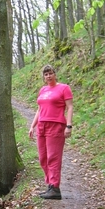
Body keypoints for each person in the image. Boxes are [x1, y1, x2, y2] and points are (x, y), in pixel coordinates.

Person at [28, 64, 73, 200]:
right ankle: (50, 185)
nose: (48, 76)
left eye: (50, 73)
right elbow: (39, 109)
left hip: (56, 125)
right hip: (41, 126)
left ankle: (55, 187)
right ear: (44, 77)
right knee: (43, 157)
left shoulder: (64, 88)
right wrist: (32, 126)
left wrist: (69, 126)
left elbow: (70, 107)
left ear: (55, 74)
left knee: (53, 157)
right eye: (46, 74)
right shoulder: (42, 90)